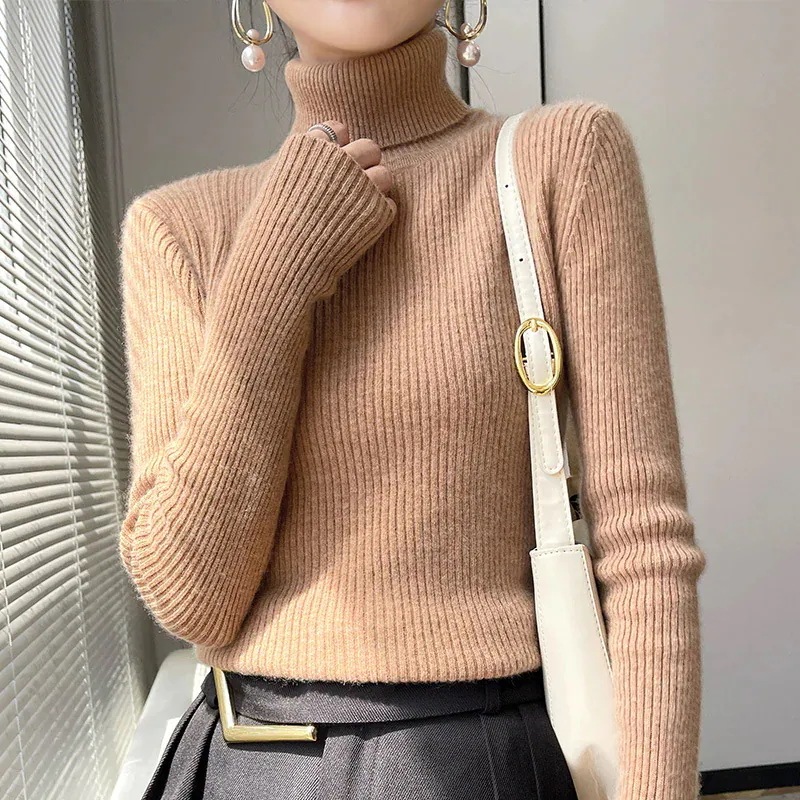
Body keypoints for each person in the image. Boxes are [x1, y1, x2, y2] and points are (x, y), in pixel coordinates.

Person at [118, 2, 707, 798]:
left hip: (480, 763)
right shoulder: (178, 230)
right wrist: (269, 285)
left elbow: (645, 549)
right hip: (247, 761)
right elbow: (193, 598)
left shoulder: (561, 160)